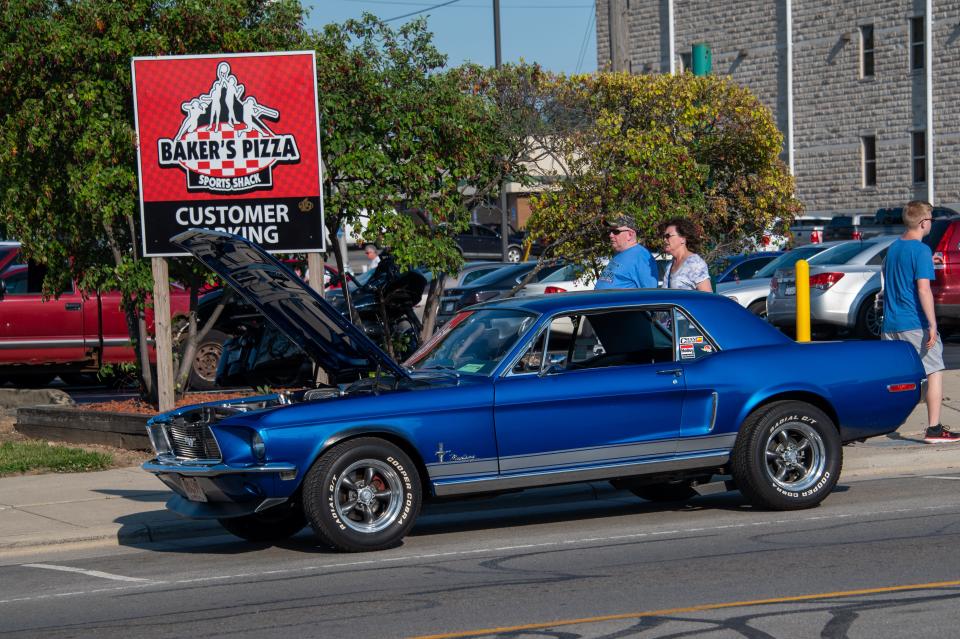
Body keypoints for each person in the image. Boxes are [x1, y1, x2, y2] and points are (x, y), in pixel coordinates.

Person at [882, 200, 957, 442]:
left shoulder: (894, 248)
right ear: (924, 222)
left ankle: (885, 420)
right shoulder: (921, 250)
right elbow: (923, 290)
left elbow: (893, 277)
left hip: (890, 325)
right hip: (913, 322)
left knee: (903, 377)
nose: (931, 225)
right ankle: (934, 429)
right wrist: (933, 325)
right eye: (931, 220)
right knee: (935, 371)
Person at [594, 215, 659, 289]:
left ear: (630, 235)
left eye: (616, 231)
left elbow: (650, 292)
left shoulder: (641, 257)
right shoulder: (620, 254)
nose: (610, 235)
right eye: (610, 231)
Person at [660, 217, 712, 292]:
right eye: (664, 237)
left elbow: (708, 298)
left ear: (683, 239)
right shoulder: (670, 265)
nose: (664, 240)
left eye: (668, 236)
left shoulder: (695, 263)